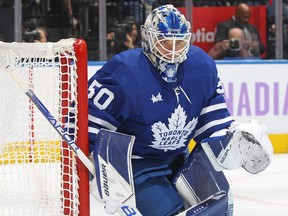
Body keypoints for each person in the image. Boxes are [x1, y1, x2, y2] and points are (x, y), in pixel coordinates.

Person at [86, 4, 273, 216]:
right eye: (165, 42)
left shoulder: (201, 66)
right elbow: (88, 126)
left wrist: (236, 142)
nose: (173, 51)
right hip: (137, 162)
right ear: (148, 39)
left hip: (180, 157)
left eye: (179, 42)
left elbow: (213, 123)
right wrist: (106, 180)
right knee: (169, 210)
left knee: (220, 207)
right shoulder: (124, 71)